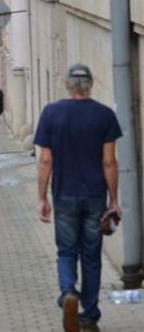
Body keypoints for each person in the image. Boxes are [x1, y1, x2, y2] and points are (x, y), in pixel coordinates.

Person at [34, 63, 122, 332]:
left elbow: (45, 160)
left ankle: (68, 292)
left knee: (67, 251)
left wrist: (42, 197)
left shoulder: (51, 113)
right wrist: (114, 199)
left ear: (66, 85)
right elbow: (109, 162)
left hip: (64, 195)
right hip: (95, 196)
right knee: (92, 256)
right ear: (91, 85)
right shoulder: (105, 116)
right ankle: (90, 314)